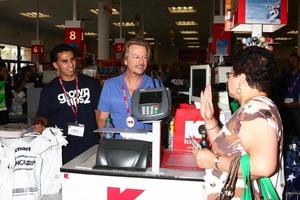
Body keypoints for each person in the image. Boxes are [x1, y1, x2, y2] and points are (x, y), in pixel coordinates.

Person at [192, 46, 284, 199]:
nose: (229, 78)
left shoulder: (255, 111)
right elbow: (231, 148)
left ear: (241, 79)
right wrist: (209, 120)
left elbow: (263, 166)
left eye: (231, 74)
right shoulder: (253, 108)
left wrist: (213, 161)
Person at [35, 43, 101, 163]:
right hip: (62, 147)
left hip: (91, 145)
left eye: (72, 59)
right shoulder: (49, 90)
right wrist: (39, 124)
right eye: (64, 61)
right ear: (56, 65)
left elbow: (99, 113)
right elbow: (42, 116)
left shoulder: (92, 84)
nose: (71, 64)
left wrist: (103, 137)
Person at [96, 38, 160, 138]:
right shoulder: (110, 85)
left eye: (145, 57)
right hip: (117, 146)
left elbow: (161, 120)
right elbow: (102, 117)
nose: (141, 62)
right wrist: (107, 139)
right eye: (136, 57)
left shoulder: (155, 85)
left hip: (146, 145)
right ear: (125, 60)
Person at [283, 52, 300, 139]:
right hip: (285, 108)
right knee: (287, 132)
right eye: (290, 61)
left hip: (297, 107)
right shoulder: (286, 76)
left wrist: (297, 103)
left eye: (293, 61)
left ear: (298, 62)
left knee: (297, 130)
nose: (291, 63)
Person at [0, 60, 12, 125]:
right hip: (2, 109)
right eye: (4, 70)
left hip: (3, 109)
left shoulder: (4, 80)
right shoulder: (2, 80)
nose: (6, 72)